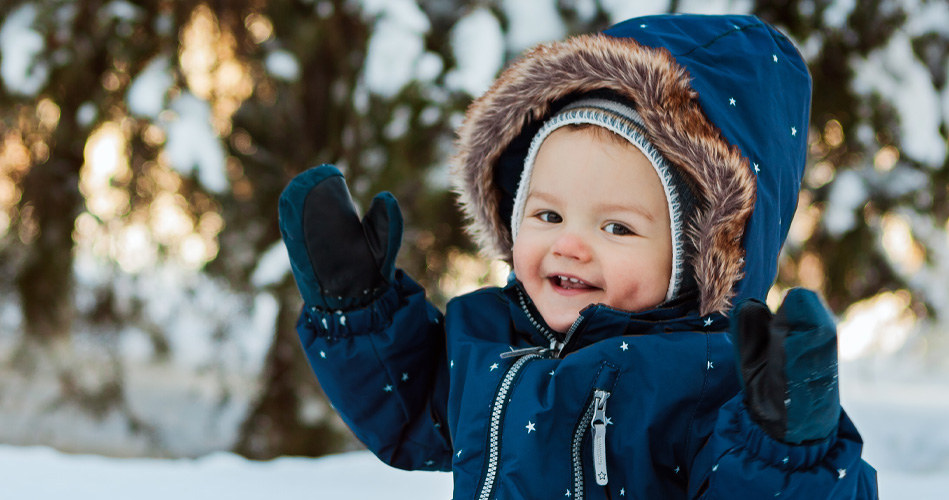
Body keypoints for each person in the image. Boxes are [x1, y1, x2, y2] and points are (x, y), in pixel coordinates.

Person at [278, 14, 878, 499]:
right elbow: (409, 413)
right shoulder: (488, 336)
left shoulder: (708, 380)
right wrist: (358, 310)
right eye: (548, 215)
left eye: (617, 227)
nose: (570, 244)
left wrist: (784, 448)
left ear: (703, 254)